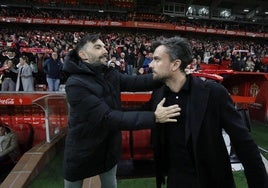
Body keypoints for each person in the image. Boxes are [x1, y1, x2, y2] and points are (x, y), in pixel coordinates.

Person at [146, 36, 268, 188]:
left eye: (157, 59)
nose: (151, 65)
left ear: (175, 64)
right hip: (176, 181)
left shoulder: (213, 93)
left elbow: (244, 143)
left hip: (213, 181)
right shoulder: (158, 95)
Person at [62, 34, 181, 188]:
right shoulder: (75, 84)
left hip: (108, 148)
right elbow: (108, 118)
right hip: (82, 150)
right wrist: (154, 117)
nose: (105, 50)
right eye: (98, 47)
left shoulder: (109, 73)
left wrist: (168, 74)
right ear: (83, 55)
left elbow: (137, 82)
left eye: (104, 46)